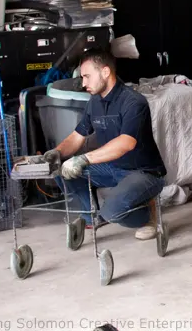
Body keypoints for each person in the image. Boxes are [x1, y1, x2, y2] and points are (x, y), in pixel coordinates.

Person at [43, 48, 166, 240]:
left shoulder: (134, 102)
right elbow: (78, 136)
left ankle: (148, 216)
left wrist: (84, 159)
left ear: (105, 72)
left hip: (143, 172)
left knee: (113, 212)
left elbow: (126, 143)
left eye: (87, 76)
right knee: (60, 170)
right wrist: (57, 153)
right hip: (112, 168)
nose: (83, 84)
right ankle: (92, 217)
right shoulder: (94, 102)